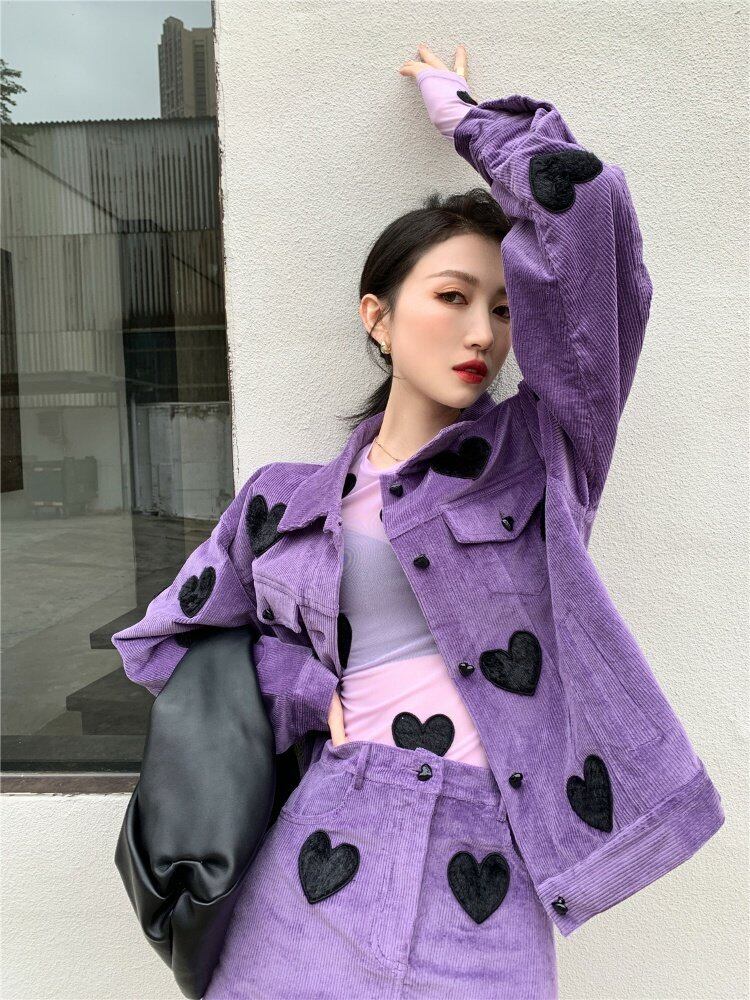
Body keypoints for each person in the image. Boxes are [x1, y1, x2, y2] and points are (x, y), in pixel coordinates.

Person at [112, 43, 724, 1000]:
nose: (483, 333)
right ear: (379, 316)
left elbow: (591, 208)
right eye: (451, 298)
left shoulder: (539, 455)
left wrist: (471, 122)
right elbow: (163, 644)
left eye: (504, 309)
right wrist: (301, 688)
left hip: (491, 866)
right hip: (318, 854)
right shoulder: (280, 502)